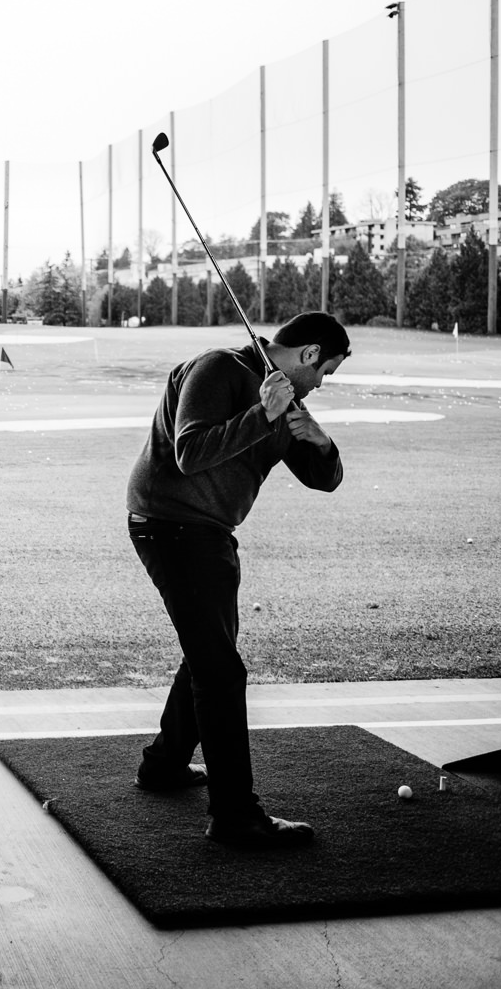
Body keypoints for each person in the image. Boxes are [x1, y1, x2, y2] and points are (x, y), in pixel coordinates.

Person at [125, 311, 349, 848]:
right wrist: (260, 413)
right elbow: (190, 453)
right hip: (170, 524)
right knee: (220, 670)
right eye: (326, 372)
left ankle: (164, 764)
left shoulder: (287, 400)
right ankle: (234, 816)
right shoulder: (217, 369)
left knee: (211, 654)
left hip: (210, 532)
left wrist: (319, 442)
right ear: (310, 355)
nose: (321, 385)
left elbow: (325, 481)